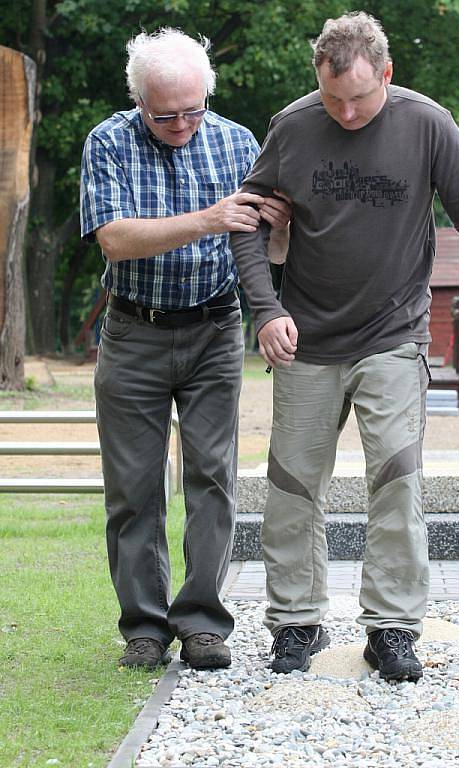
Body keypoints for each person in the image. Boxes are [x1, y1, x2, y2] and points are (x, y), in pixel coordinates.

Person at [231, 11, 459, 683]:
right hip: (307, 339)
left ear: (386, 73)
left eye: (360, 97)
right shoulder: (293, 127)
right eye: (334, 99)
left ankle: (391, 628)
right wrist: (265, 311)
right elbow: (245, 220)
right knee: (293, 485)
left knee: (396, 480)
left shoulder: (427, 124)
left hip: (391, 335)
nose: (348, 112)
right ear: (317, 83)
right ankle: (296, 621)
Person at [80, 28, 289, 671]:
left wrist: (278, 238)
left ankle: (202, 622)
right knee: (135, 489)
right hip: (133, 332)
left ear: (208, 93)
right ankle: (143, 626)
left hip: (214, 332)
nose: (180, 123)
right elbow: (113, 238)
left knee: (213, 480)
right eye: (163, 113)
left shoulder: (237, 142)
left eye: (192, 109)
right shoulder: (109, 140)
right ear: (138, 101)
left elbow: (266, 251)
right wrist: (208, 218)